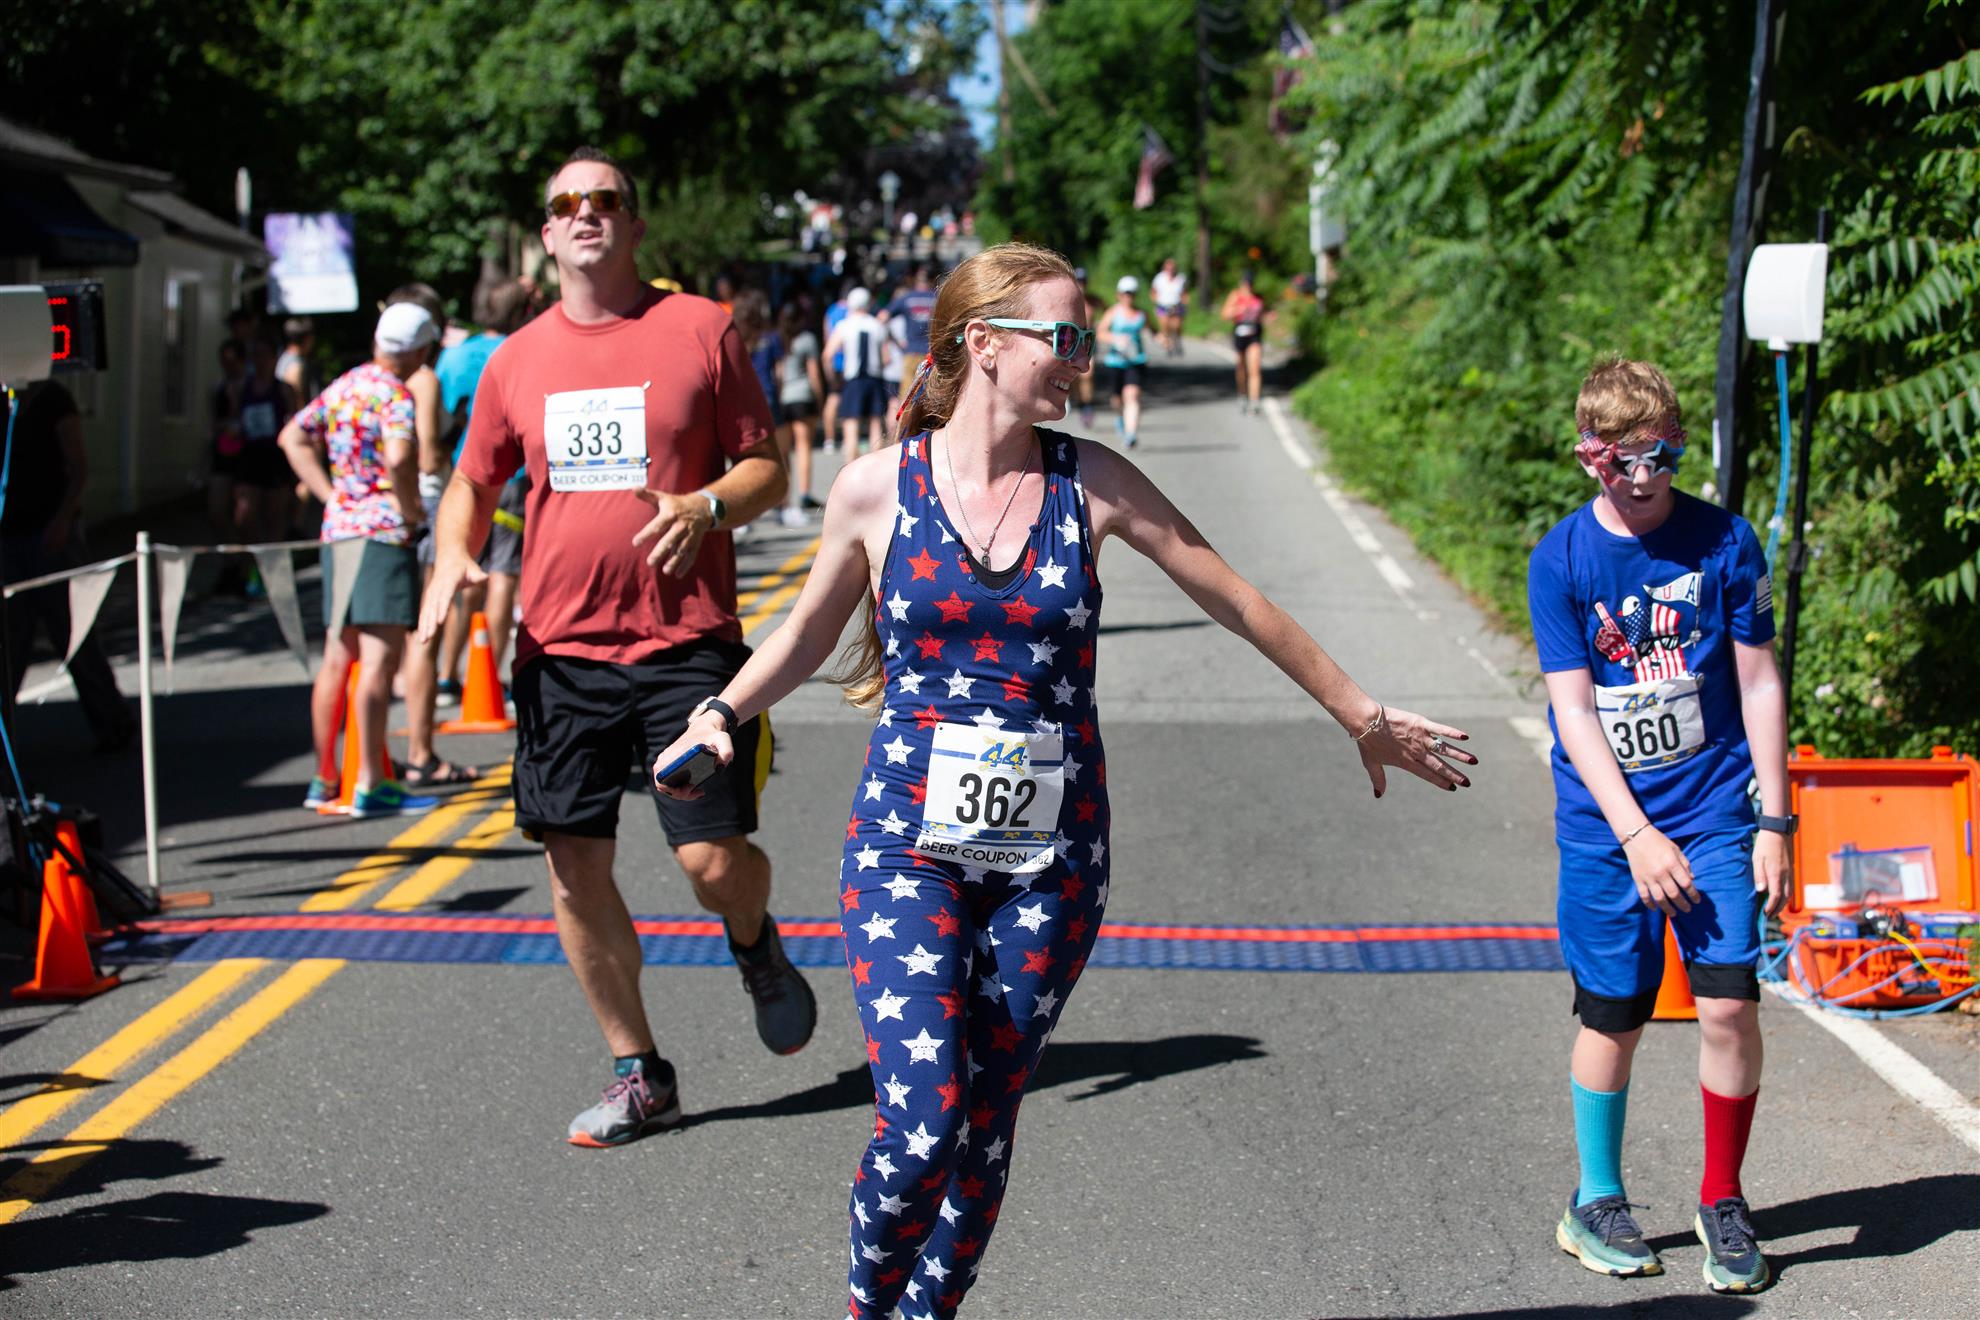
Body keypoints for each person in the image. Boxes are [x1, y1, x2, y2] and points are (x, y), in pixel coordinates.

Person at [649, 241, 1476, 1318]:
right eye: (1066, 337)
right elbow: (804, 636)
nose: (1083, 359)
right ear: (985, 344)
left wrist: (1362, 715)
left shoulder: (1094, 483)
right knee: (923, 1120)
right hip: (905, 847)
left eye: (1085, 339)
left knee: (984, 1121)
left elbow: (1237, 599)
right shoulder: (875, 489)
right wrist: (719, 714)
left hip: (1053, 859)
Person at [420, 145, 815, 1149]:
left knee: (711, 861)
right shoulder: (513, 360)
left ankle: (754, 941)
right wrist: (454, 552)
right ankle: (641, 1073)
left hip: (686, 644)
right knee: (573, 869)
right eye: (568, 203)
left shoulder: (699, 328)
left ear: (635, 226)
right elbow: (473, 480)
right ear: (548, 234)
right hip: (560, 655)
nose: (587, 211)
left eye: (607, 199)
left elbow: (766, 467)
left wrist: (707, 505)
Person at [1528, 359, 1787, 1295]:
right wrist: (1637, 834)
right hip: (1608, 826)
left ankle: (1723, 1199)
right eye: (1622, 463)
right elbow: (1575, 712)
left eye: (1662, 459)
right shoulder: (1561, 559)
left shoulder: (1727, 541)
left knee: (1728, 1002)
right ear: (1588, 456)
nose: (1643, 481)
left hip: (1714, 810)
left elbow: (1758, 681)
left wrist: (1775, 818)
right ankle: (1596, 1199)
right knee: (1616, 1012)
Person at [278, 302, 437, 820]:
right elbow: (400, 456)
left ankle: (325, 778)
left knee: (336, 656)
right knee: (377, 660)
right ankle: (370, 780)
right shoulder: (395, 395)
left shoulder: (344, 386)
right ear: (418, 350)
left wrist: (332, 498)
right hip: (382, 535)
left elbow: (292, 436)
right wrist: (409, 509)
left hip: (340, 532)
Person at [0, 380, 137, 753]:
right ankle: (5, 739)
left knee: (72, 630)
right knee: (10, 638)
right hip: (9, 537)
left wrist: (63, 519)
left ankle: (112, 720)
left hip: (51, 534)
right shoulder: (6, 401)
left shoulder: (53, 399)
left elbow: (78, 468)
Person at [435, 278, 536, 686]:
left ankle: (448, 673)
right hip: (514, 474)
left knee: (465, 572)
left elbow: (440, 413)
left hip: (465, 474)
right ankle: (488, 680)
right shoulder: (524, 350)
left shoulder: (455, 355)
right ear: (520, 312)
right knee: (503, 574)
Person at [735, 289, 806, 529]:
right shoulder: (772, 339)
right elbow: (779, 372)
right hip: (770, 401)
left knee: (744, 459)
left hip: (744, 403)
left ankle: (744, 513)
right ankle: (786, 507)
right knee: (783, 455)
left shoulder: (735, 339)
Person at [232, 337, 301, 569]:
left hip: (275, 458)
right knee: (245, 516)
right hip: (249, 457)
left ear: (273, 358)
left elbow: (295, 424)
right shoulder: (242, 388)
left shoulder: (284, 389)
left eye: (264, 355)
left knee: (274, 517)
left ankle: (273, 570)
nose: (260, 361)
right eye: (256, 356)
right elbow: (235, 420)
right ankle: (251, 567)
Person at [823, 287, 889, 459]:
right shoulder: (877, 325)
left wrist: (833, 379)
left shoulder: (844, 325)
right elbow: (886, 358)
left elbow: (827, 355)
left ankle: (851, 466)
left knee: (851, 425)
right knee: (876, 424)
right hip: (874, 379)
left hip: (852, 380)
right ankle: (876, 467)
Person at [775, 300, 826, 518]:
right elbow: (813, 373)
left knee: (784, 451)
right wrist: (820, 398)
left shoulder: (778, 340)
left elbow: (777, 373)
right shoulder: (807, 339)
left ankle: (784, 498)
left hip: (783, 398)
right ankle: (804, 494)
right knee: (804, 446)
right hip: (803, 397)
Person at [1096, 275, 1150, 448]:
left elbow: (1152, 330)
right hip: (1115, 362)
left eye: (1132, 293)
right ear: (1119, 295)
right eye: (1126, 293)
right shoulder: (1113, 313)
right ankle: (1121, 417)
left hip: (1135, 361)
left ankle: (1131, 434)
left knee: (1132, 396)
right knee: (1117, 400)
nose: (1129, 297)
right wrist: (1115, 338)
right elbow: (1100, 333)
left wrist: (1162, 339)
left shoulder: (1142, 314)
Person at [888, 264, 939, 401]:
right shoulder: (937, 298)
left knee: (907, 396)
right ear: (932, 280)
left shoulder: (907, 298)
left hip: (910, 352)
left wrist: (895, 341)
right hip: (931, 354)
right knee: (930, 397)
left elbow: (882, 317)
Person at [1221, 271, 1268, 413]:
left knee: (1255, 367)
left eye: (1250, 283)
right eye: (1246, 283)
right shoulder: (1235, 296)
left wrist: (1268, 317)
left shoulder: (1258, 297)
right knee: (1241, 366)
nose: (1248, 286)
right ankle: (1242, 394)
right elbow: (1225, 314)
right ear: (1242, 283)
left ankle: (1255, 400)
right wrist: (1238, 310)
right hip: (1240, 334)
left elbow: (1264, 314)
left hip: (1255, 335)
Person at [1071, 266, 1103, 429]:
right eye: (1078, 281)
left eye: (1083, 281)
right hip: (1072, 342)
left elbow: (1108, 310)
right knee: (1074, 377)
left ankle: (1088, 406)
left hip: (1088, 343)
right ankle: (1078, 401)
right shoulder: (1069, 300)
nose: (1081, 284)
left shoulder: (1093, 300)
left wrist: (1101, 326)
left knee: (1088, 375)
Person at [1150, 257, 1187, 357]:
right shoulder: (1159, 278)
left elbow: (1184, 293)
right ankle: (1168, 346)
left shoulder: (1180, 279)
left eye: (1172, 268)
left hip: (1176, 305)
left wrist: (1185, 303)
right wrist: (1156, 301)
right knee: (1165, 326)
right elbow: (1153, 291)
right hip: (1163, 305)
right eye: (1168, 267)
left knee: (1177, 326)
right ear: (1165, 268)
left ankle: (1177, 341)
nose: (1170, 270)